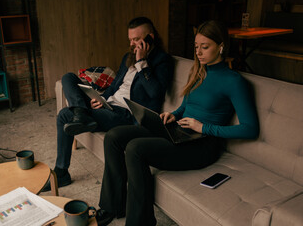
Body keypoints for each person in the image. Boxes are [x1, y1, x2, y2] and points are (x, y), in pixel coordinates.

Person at [95, 20, 260, 226]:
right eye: (196, 46)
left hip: (202, 144)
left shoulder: (234, 81)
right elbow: (185, 107)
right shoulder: (198, 71)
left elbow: (250, 128)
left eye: (205, 47)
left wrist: (203, 127)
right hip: (180, 131)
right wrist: (173, 114)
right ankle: (112, 206)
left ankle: (141, 222)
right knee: (114, 137)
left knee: (136, 148)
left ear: (221, 46)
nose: (199, 52)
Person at [43, 17, 174, 191]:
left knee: (64, 115)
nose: (133, 44)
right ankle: (81, 112)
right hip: (108, 105)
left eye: (136, 39)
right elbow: (115, 85)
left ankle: (61, 172)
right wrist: (100, 98)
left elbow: (155, 92)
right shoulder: (127, 57)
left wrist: (142, 62)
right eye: (130, 40)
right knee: (68, 77)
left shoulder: (162, 60)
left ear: (150, 37)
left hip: (126, 114)